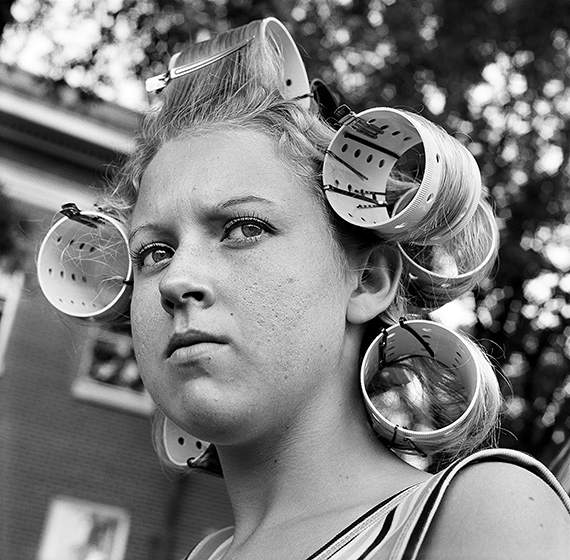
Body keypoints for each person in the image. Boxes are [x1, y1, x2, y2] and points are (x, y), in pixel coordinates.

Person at [40, 17, 570, 560]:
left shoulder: (482, 513)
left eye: (245, 228)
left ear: (368, 281)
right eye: (154, 252)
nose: (175, 280)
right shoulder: (207, 554)